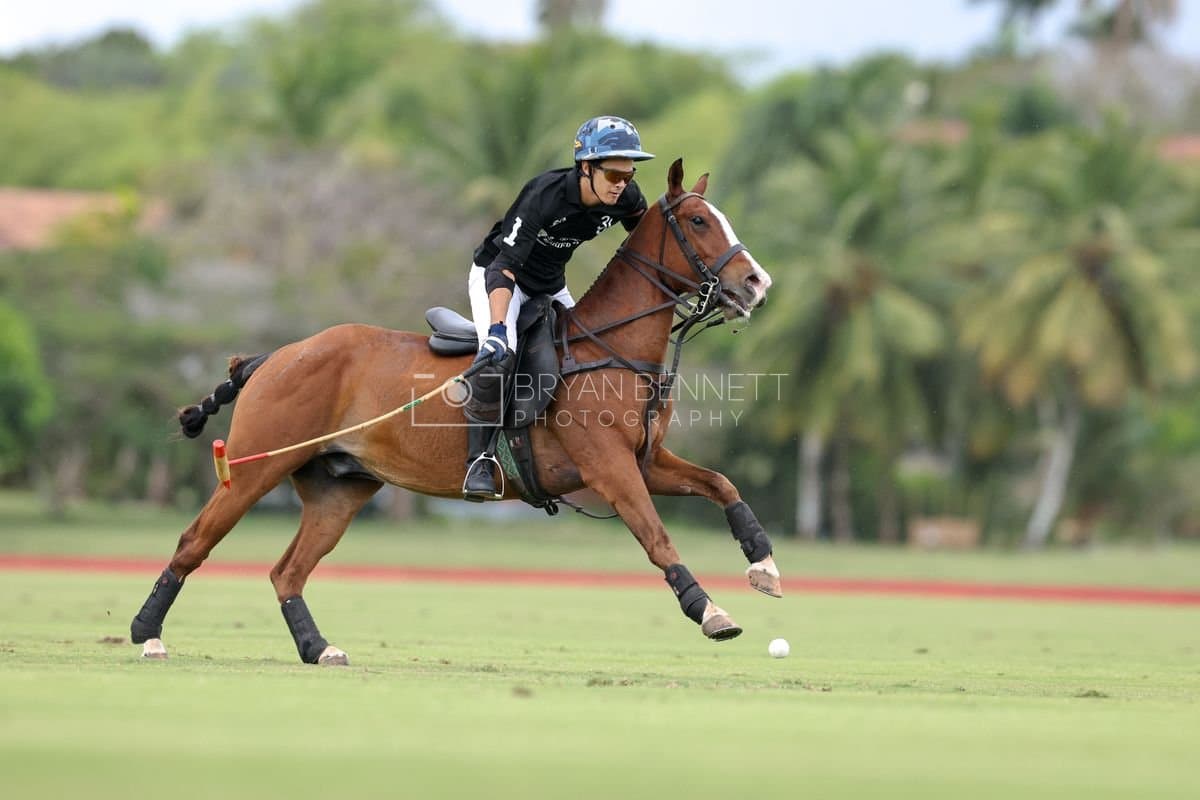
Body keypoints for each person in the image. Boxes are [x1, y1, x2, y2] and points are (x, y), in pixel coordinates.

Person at [461, 115, 655, 501]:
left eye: (628, 176)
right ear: (586, 166)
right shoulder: (544, 196)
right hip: (500, 279)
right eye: (613, 175)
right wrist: (499, 330)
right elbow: (503, 267)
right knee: (501, 358)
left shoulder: (626, 200)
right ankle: (479, 462)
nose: (622, 186)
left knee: (588, 356)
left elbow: (646, 241)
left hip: (550, 287)